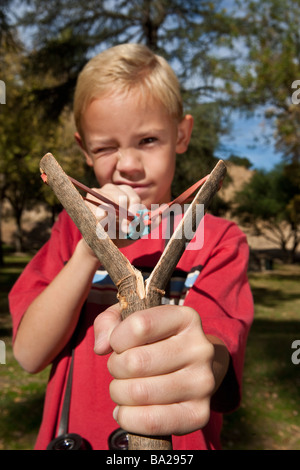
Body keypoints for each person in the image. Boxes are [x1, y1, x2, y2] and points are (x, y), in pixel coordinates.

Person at [9, 43, 253, 450]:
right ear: (84, 150)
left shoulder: (219, 239)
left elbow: (217, 354)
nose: (128, 164)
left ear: (182, 134)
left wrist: (202, 359)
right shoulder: (69, 234)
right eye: (106, 146)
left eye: (149, 140)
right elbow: (29, 355)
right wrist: (90, 250)